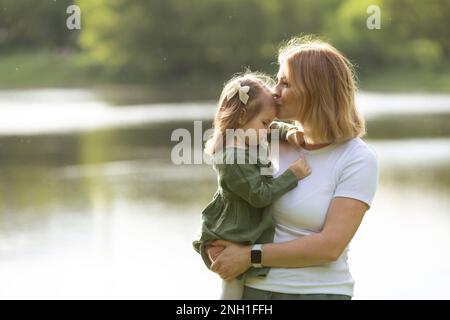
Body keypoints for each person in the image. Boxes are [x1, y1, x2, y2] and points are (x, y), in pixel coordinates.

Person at [208, 37, 379, 300]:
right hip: (252, 290)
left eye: (285, 83)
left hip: (316, 293)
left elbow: (329, 247)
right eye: (277, 81)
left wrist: (250, 255)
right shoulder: (265, 139)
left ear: (315, 90)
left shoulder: (356, 158)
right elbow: (232, 195)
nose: (274, 91)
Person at [193, 72, 311, 299]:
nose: (268, 129)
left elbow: (274, 126)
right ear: (242, 117)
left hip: (244, 232)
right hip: (229, 236)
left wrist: (290, 132)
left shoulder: (250, 135)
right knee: (232, 292)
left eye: (269, 123)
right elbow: (260, 195)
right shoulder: (231, 159)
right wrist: (292, 175)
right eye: (264, 123)